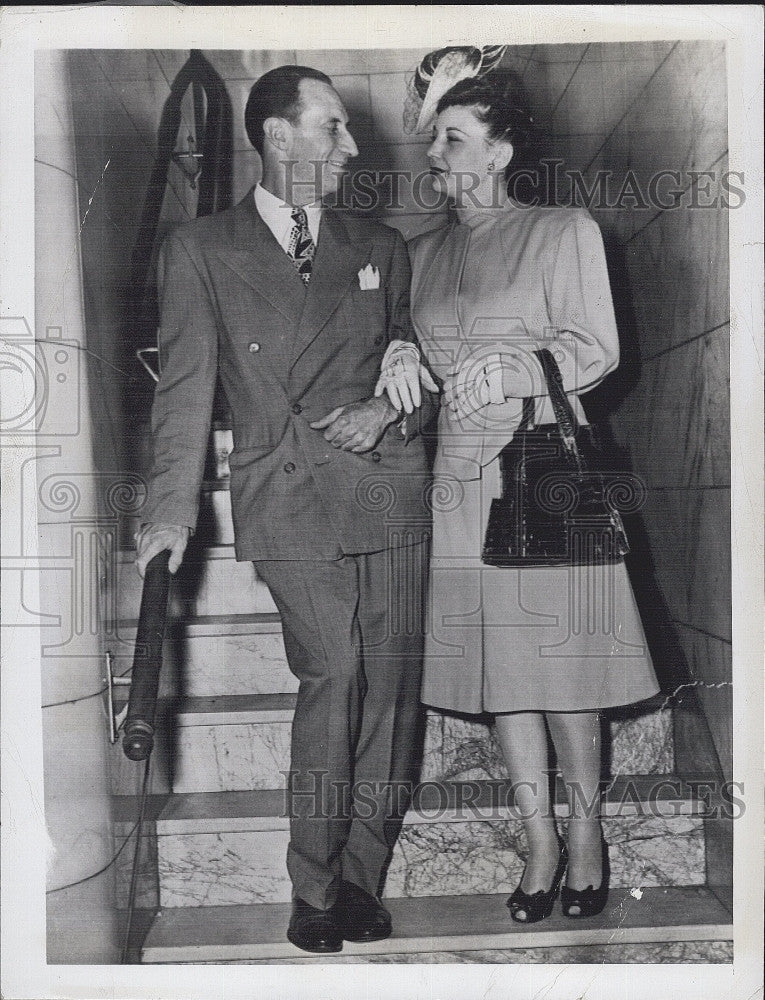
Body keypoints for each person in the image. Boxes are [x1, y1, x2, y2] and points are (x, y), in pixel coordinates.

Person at [135, 65, 436, 954]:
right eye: (333, 128)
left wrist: (390, 402)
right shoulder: (201, 248)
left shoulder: (382, 244)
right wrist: (169, 514)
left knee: (389, 689)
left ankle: (361, 876)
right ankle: (312, 880)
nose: (351, 146)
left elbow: (408, 365)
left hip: (384, 480)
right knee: (334, 674)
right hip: (289, 486)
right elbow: (184, 391)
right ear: (276, 135)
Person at [380, 65, 659, 924]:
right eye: (435, 138)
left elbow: (597, 347)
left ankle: (583, 835)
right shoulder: (418, 255)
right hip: (457, 485)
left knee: (564, 671)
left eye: (453, 138)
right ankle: (537, 838)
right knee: (503, 675)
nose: (435, 152)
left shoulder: (560, 230)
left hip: (543, 471)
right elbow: (414, 355)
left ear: (499, 153)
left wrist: (525, 365)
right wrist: (396, 359)